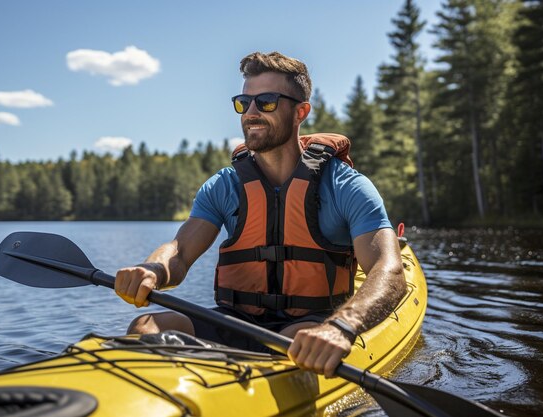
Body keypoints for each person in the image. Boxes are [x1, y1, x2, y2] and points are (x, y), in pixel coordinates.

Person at [115, 51, 406, 378]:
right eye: (244, 102)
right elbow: (179, 253)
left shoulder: (346, 186)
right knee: (146, 324)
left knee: (291, 342)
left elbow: (390, 271)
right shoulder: (223, 186)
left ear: (301, 112)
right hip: (234, 322)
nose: (251, 113)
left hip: (309, 329)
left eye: (266, 101)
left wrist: (343, 325)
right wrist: (152, 269)